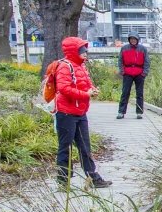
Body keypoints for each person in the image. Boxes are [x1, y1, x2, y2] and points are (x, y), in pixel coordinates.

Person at [44, 36, 112, 190]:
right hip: (65, 113)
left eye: (86, 50)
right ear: (74, 51)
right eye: (82, 50)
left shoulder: (81, 66)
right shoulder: (64, 66)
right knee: (65, 147)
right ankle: (63, 181)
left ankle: (92, 178)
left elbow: (85, 84)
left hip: (80, 112)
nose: (86, 52)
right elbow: (63, 89)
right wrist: (85, 95)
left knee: (85, 147)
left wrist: (92, 90)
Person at [116, 34, 148, 119]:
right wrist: (122, 71)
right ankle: (121, 112)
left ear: (137, 40)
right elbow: (120, 61)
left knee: (139, 93)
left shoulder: (143, 49)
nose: (133, 40)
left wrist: (144, 73)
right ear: (129, 40)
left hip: (139, 73)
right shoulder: (124, 48)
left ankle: (139, 112)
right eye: (131, 39)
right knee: (125, 92)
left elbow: (147, 61)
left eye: (135, 39)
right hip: (128, 73)